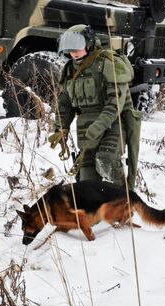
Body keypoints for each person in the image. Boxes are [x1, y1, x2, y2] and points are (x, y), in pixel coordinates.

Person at [48, 24, 142, 189]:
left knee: (107, 161)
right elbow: (65, 103)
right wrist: (61, 128)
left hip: (114, 124)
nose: (73, 52)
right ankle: (93, 211)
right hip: (86, 126)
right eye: (70, 48)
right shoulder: (69, 70)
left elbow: (116, 103)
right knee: (86, 179)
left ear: (89, 43)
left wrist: (99, 126)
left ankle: (122, 200)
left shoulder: (107, 63)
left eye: (77, 47)